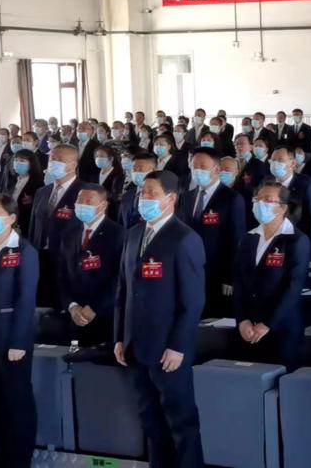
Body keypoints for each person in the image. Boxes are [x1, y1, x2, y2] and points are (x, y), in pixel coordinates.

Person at [114, 171, 206, 468]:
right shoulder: (133, 234)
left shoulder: (184, 238)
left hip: (168, 350)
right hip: (135, 345)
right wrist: (119, 337)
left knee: (181, 423)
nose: (144, 198)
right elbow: (123, 291)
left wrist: (178, 346)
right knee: (151, 422)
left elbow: (192, 301)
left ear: (171, 199)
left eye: (152, 193)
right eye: (142, 192)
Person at [234, 182, 310, 372]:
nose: (260, 203)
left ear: (282, 208)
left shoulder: (296, 240)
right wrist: (242, 319)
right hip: (249, 328)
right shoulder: (248, 238)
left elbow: (293, 288)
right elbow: (240, 282)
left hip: (281, 328)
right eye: (257, 199)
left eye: (267, 200)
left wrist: (268, 324)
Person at [0, 194, 39, 468]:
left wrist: (19, 341)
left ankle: (19, 460)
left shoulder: (23, 251)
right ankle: (0, 457)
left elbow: (25, 299)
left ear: (11, 218)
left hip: (11, 340)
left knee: (17, 402)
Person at [176, 148, 245, 317]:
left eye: (203, 166)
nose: (197, 170)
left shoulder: (231, 198)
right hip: (188, 270)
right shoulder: (186, 197)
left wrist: (229, 277)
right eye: (194, 166)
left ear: (217, 168)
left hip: (216, 272)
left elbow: (236, 240)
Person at [57, 184, 124, 347]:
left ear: (103, 205)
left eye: (89, 201)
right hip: (74, 315)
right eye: (80, 200)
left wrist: (94, 307)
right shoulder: (69, 233)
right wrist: (72, 305)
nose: (82, 205)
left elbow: (119, 277)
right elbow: (62, 274)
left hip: (104, 316)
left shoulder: (118, 234)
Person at [29, 144, 84, 308]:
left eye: (59, 159)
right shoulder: (42, 192)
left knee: (64, 306)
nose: (53, 163)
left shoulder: (85, 191)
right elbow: (33, 226)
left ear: (73, 165)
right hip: (40, 258)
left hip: (68, 260)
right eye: (52, 158)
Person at [268, 146, 311, 253]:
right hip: (270, 242)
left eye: (280, 160)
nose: (275, 164)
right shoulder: (266, 182)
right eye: (273, 160)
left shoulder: (305, 185)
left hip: (295, 243)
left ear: (293, 164)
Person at [6, 150, 43, 233]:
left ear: (31, 164)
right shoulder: (12, 178)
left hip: (25, 221)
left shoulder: (38, 182)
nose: (18, 163)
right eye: (16, 160)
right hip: (10, 216)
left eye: (22, 161)